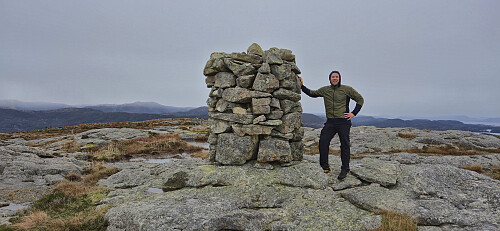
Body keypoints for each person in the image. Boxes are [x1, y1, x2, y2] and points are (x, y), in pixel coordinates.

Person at [298, 71, 364, 180]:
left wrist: (353, 113)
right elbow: (312, 93)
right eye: (333, 77)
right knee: (323, 141)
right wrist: (302, 86)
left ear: (339, 78)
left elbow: (360, 99)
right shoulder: (325, 90)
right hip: (330, 122)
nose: (335, 78)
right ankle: (324, 166)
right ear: (330, 79)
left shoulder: (347, 89)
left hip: (343, 121)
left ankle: (345, 168)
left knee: (345, 145)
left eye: (337, 77)